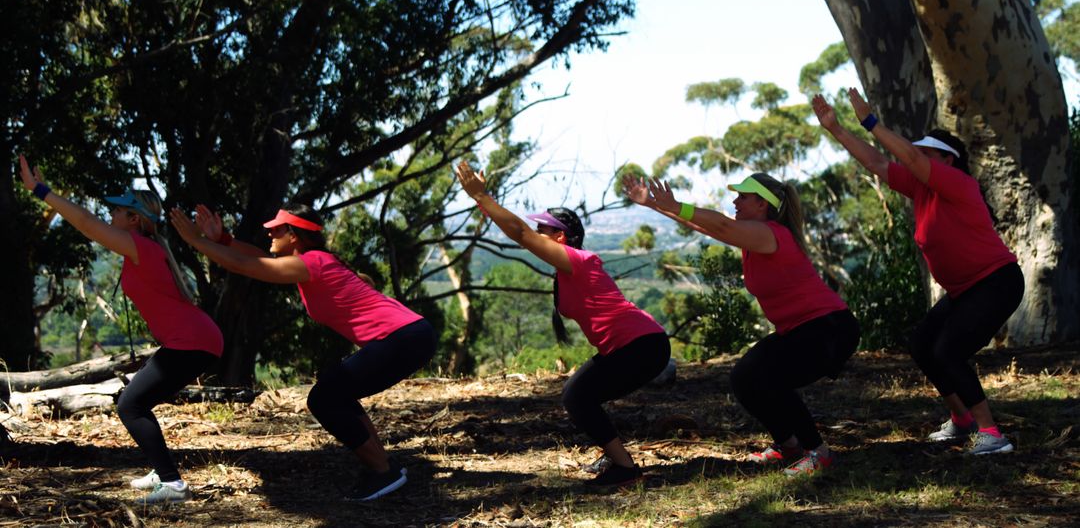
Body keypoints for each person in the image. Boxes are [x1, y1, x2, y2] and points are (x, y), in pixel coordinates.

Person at [168, 203, 436, 500]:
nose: (269, 232)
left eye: (277, 229)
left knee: (324, 398)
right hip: (409, 336)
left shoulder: (312, 263)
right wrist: (222, 241)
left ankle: (383, 473)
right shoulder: (311, 262)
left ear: (294, 235)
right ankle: (383, 467)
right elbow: (256, 258)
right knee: (336, 392)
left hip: (402, 338)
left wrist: (197, 241)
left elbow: (247, 266)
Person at [813, 89, 1023, 455]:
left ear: (948, 160)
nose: (918, 159)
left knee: (948, 351)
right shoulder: (922, 188)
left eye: (928, 155)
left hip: (996, 282)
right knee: (923, 344)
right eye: (920, 153)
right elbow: (878, 164)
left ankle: (992, 434)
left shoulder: (959, 184)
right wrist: (836, 130)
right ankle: (961, 421)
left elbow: (905, 155)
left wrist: (870, 121)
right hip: (965, 290)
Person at [623, 172, 860, 475]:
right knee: (744, 377)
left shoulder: (771, 234)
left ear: (763, 204)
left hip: (829, 329)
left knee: (771, 377)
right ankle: (789, 446)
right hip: (804, 330)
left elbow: (720, 223)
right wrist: (654, 204)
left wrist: (675, 203)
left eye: (743, 197)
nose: (735, 201)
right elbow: (704, 226)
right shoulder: (753, 237)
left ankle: (818, 452)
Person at [18, 155, 223, 505]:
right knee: (140, 401)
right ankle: (163, 471)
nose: (110, 216)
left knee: (131, 405)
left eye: (117, 211)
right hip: (195, 339)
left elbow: (85, 222)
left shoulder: (141, 246)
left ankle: (173, 485)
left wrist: (40, 190)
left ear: (135, 219)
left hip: (193, 340)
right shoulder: (145, 249)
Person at [454, 161, 670, 487]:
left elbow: (519, 233)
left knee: (577, 395)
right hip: (634, 347)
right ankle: (617, 458)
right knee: (579, 395)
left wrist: (482, 197)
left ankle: (625, 469)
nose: (537, 235)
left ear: (560, 236)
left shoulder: (579, 261)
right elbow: (519, 232)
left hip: (642, 345)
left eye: (544, 231)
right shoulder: (567, 271)